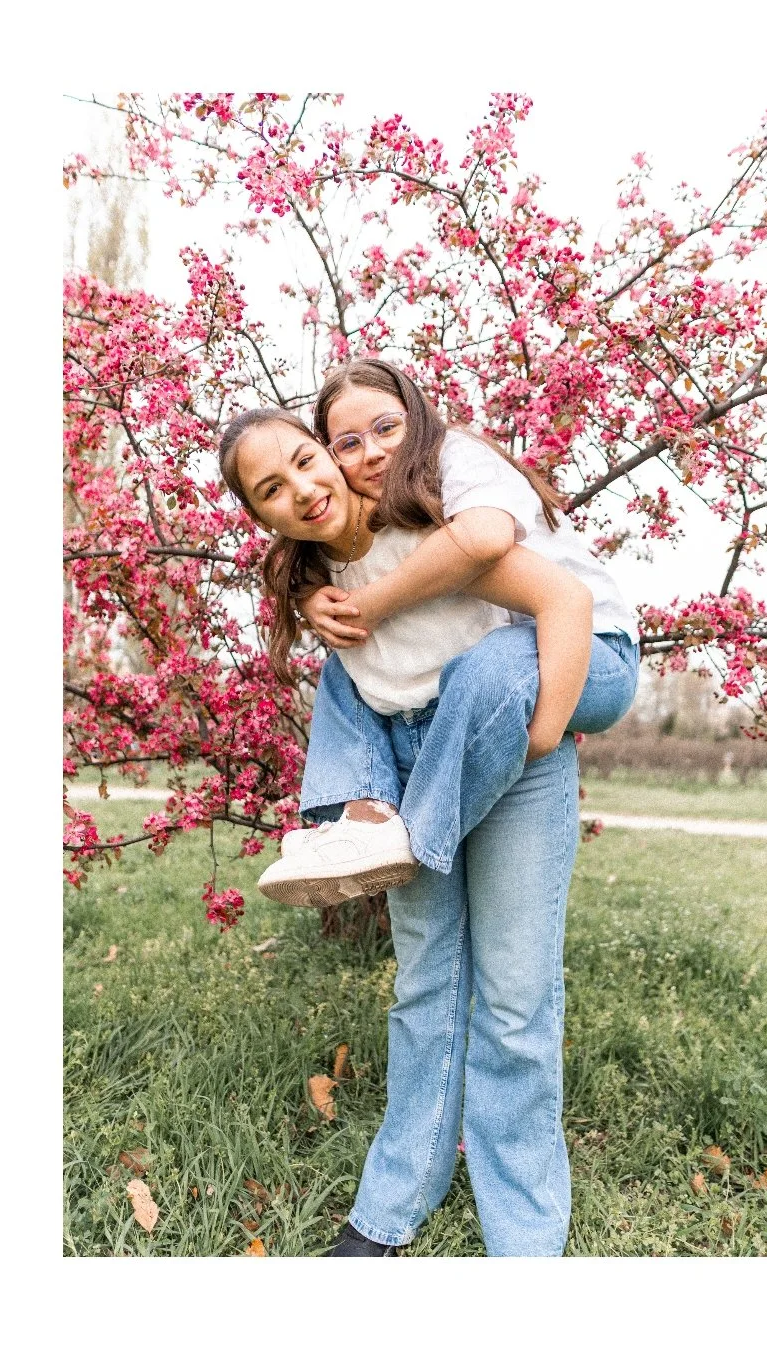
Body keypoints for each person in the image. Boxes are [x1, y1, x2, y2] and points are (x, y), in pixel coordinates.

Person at [218, 376, 639, 1256]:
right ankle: (388, 1212)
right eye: (276, 488)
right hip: (420, 765)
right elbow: (358, 688)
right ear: (265, 518)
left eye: (306, 458)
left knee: (516, 1002)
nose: (310, 482)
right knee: (424, 992)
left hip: (517, 747)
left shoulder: (435, 511)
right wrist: (312, 604)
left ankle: (523, 1240)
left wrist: (544, 733)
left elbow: (558, 608)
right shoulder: (319, 575)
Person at [252, 359, 640, 908]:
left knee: (492, 658)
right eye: (348, 444)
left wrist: (546, 729)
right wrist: (309, 598)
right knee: (346, 667)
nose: (373, 452)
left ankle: (407, 840)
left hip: (596, 650)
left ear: (418, 416)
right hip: (531, 647)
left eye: (388, 428)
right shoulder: (393, 509)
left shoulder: (453, 458)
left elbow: (491, 543)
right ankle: (359, 812)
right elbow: (291, 561)